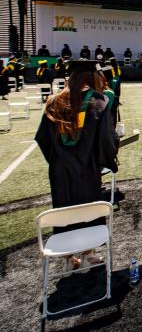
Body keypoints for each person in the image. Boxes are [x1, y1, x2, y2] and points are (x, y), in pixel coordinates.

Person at [35, 60, 119, 267]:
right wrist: (105, 159)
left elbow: (42, 138)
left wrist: (58, 160)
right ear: (92, 77)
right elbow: (107, 139)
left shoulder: (53, 102)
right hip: (87, 168)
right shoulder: (98, 101)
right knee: (88, 209)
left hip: (60, 171)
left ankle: (68, 258)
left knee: (64, 208)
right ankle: (88, 255)